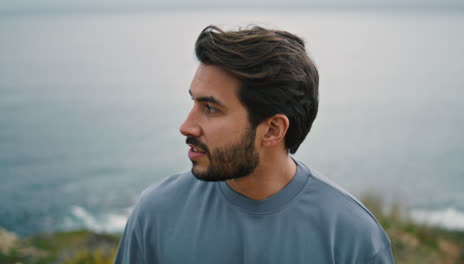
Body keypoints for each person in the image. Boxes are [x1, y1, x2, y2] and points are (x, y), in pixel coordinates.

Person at [114, 25, 394, 264]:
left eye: (211, 108)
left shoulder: (352, 238)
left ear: (272, 130)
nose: (186, 126)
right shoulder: (156, 214)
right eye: (194, 102)